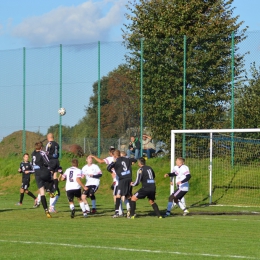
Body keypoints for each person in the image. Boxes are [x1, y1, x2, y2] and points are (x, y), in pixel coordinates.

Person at [90, 146, 125, 217]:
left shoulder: (110, 159)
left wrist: (93, 156)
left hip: (117, 179)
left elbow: (100, 161)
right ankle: (124, 210)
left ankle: (119, 212)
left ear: (110, 153)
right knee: (123, 195)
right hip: (124, 177)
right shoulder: (121, 158)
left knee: (116, 196)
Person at [107, 149, 136, 218]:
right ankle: (131, 211)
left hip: (122, 180)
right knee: (128, 195)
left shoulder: (116, 161)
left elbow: (108, 168)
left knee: (118, 195)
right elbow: (134, 160)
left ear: (115, 155)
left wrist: (113, 163)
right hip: (129, 178)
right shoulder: (126, 159)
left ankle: (117, 212)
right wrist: (130, 162)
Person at [31, 142, 54, 218]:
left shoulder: (33, 153)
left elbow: (32, 163)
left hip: (37, 174)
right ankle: (49, 190)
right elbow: (47, 162)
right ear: (41, 148)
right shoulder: (42, 153)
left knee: (42, 193)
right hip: (43, 171)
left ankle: (46, 210)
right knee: (52, 179)